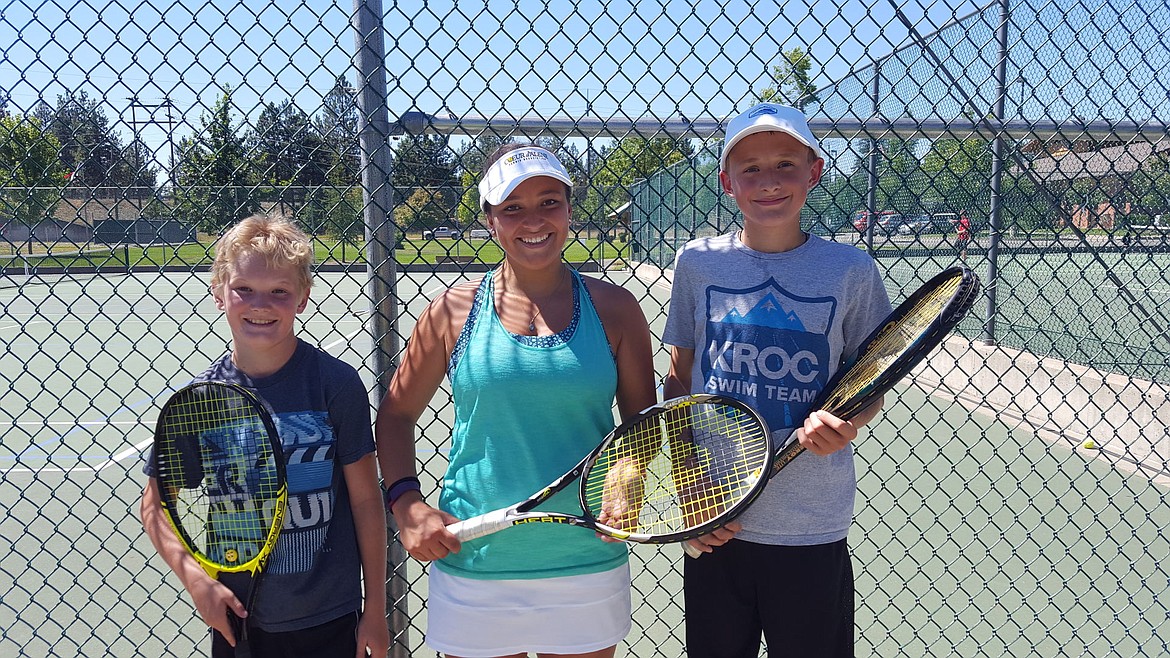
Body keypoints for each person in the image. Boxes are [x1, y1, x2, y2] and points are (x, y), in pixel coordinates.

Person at [374, 143, 657, 658]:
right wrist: (406, 503)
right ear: (489, 219)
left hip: (586, 558)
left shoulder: (616, 308)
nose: (534, 221)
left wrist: (628, 477)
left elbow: (642, 424)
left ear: (570, 209)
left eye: (549, 201)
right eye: (513, 208)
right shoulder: (451, 312)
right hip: (475, 561)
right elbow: (395, 414)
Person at [661, 103, 894, 657]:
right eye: (751, 169)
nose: (769, 182)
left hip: (810, 526)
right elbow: (678, 382)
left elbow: (871, 380)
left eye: (786, 164)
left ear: (814, 171)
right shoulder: (697, 263)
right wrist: (689, 492)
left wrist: (847, 423)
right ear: (727, 182)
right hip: (717, 521)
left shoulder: (850, 270)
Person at [140, 215, 389, 658]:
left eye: (279, 291)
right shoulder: (199, 400)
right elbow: (156, 504)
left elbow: (367, 500)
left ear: (303, 298)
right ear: (218, 292)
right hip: (240, 618)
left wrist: (374, 609)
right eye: (244, 289)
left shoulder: (335, 383)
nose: (261, 304)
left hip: (332, 615)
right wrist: (197, 582)